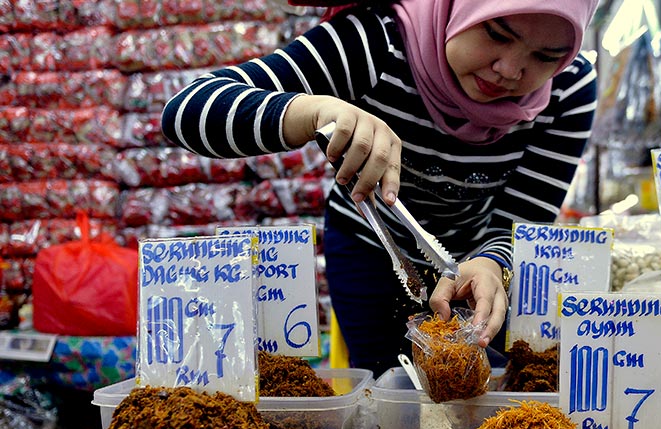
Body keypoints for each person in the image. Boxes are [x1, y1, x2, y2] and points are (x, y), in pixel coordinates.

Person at [161, 0, 600, 377]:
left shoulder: (569, 86)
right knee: (384, 384)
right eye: (496, 34)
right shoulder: (375, 44)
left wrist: (491, 263)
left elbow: (524, 216)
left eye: (545, 57)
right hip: (368, 246)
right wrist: (312, 112)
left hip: (477, 255)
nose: (509, 70)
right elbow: (187, 110)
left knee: (483, 387)